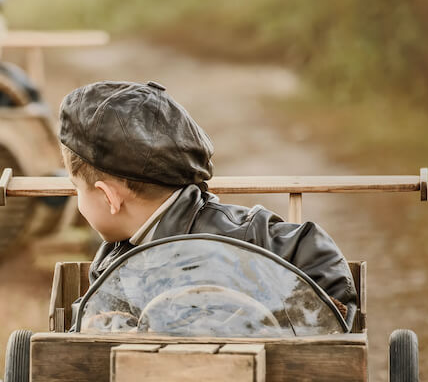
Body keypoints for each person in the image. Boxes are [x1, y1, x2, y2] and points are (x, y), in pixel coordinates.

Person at [59, 80, 357, 319]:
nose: (78, 201)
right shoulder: (112, 264)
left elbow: (320, 261)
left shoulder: (245, 235)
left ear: (108, 197)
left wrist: (284, 322)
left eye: (77, 189)